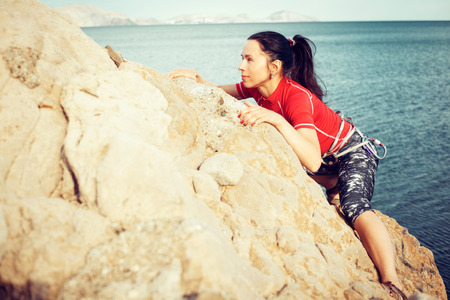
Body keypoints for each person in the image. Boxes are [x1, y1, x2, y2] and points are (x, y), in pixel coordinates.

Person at [167, 31, 407, 299]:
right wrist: (196, 79)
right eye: (241, 58)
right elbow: (219, 91)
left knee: (352, 206)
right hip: (326, 162)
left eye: (249, 59)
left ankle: (392, 281)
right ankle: (333, 182)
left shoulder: (295, 97)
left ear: (274, 67)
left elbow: (313, 159)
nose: (241, 66)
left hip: (352, 153)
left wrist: (276, 120)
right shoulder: (257, 88)